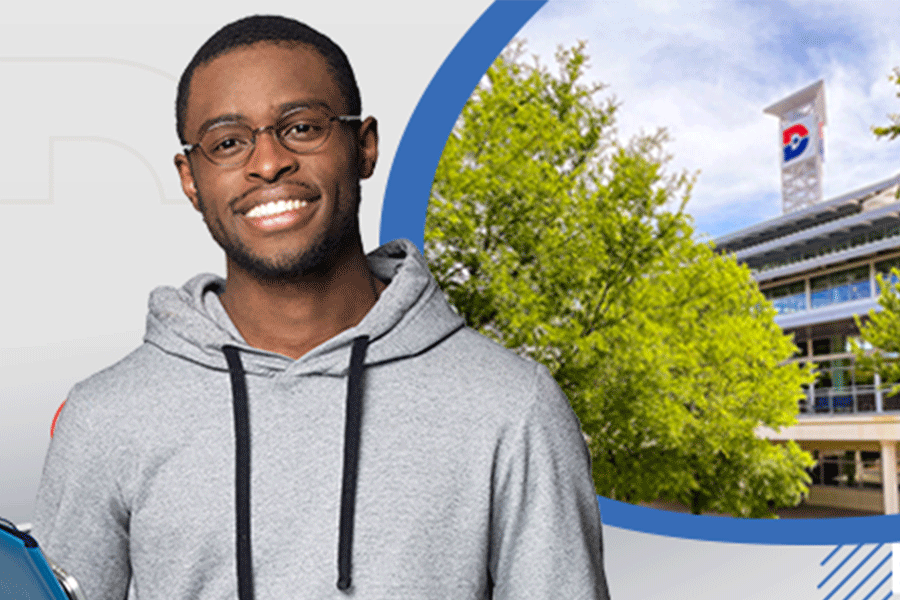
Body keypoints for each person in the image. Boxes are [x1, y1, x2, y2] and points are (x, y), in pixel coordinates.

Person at [32, 15, 610, 600]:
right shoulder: (106, 419)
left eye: (302, 128)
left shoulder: (513, 406)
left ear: (364, 147)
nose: (267, 163)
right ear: (191, 179)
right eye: (228, 142)